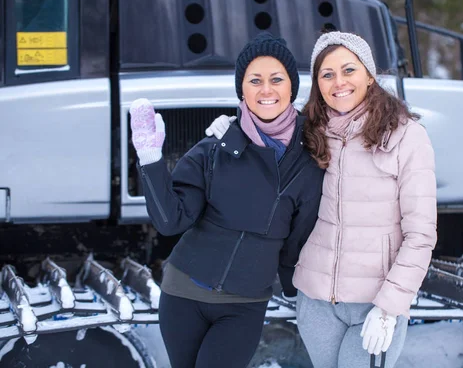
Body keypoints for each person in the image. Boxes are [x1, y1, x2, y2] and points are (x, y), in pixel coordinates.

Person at [206, 31, 437, 368]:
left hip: (374, 303)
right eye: (327, 74)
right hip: (315, 302)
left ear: (369, 75)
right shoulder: (311, 129)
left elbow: (421, 234)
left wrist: (389, 307)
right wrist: (233, 130)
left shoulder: (406, 135)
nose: (338, 82)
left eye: (349, 70)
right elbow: (266, 130)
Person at [129, 33, 324, 368]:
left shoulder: (308, 161)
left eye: (276, 79)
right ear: (242, 90)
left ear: (291, 87)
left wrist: (298, 292)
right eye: (255, 80)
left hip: (243, 304)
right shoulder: (215, 148)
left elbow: (298, 240)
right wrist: (150, 159)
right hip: (182, 293)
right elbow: (170, 220)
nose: (266, 89)